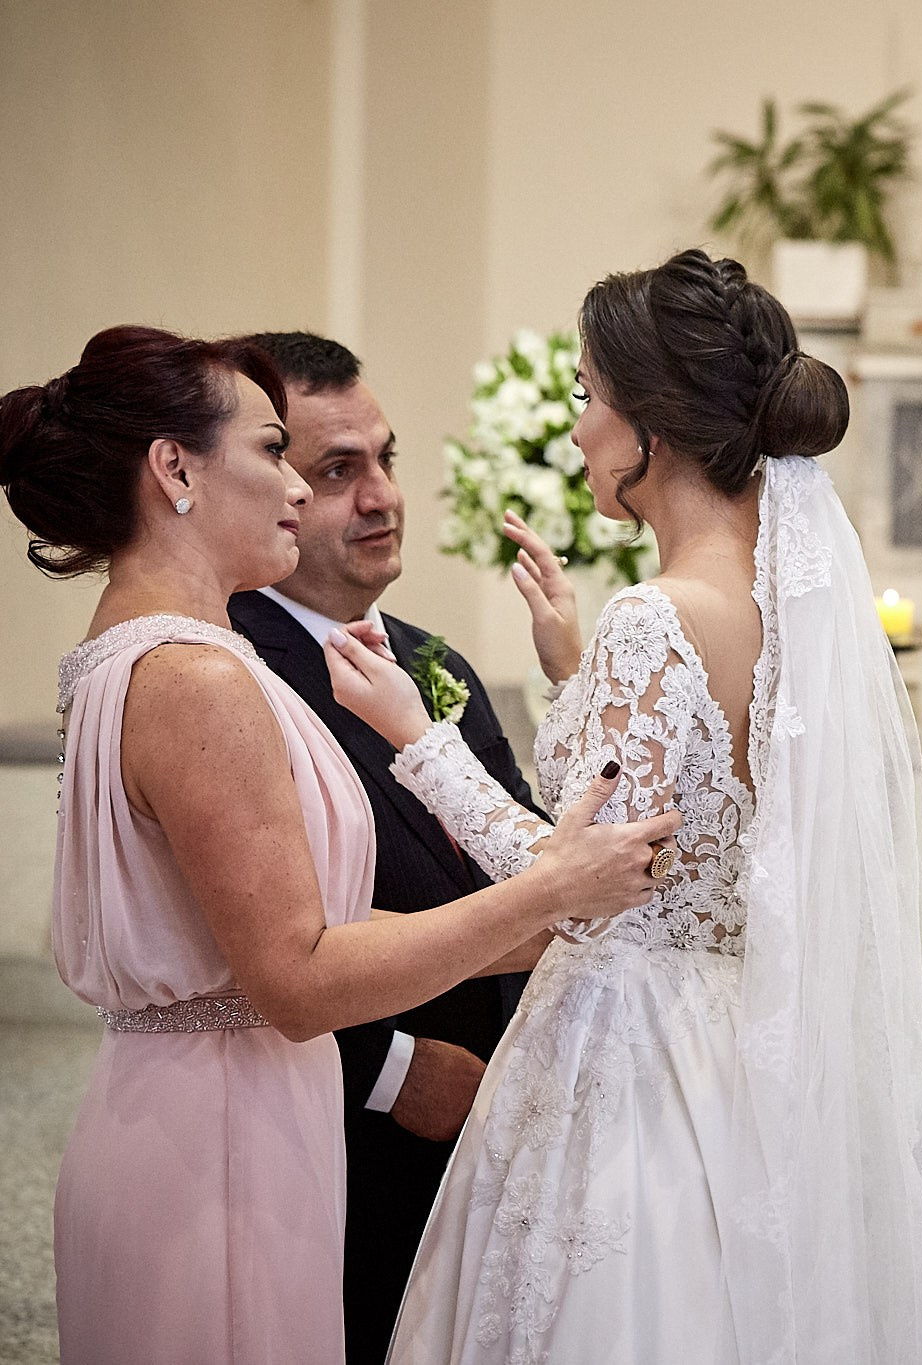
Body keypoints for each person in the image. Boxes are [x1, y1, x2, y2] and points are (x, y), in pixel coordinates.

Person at [326, 248, 922, 1364]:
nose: (579, 428)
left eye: (589, 397)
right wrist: (571, 672)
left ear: (652, 429)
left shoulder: (658, 616)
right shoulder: (783, 609)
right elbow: (697, 819)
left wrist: (418, 738)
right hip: (739, 1035)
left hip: (627, 1042)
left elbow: (580, 890)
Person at [0, 325, 679, 1364]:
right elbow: (298, 974)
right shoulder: (197, 677)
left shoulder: (140, 650)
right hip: (219, 1142)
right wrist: (550, 896)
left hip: (210, 1108)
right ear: (174, 468)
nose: (295, 488)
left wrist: (557, 918)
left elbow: (276, 931)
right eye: (274, 452)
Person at [222, 332, 541, 1364]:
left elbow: (517, 865)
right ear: (268, 480)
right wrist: (393, 1070)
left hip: (492, 1113)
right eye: (337, 471)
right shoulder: (230, 674)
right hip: (331, 1132)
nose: (381, 497)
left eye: (387, 460)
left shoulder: (435, 662)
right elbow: (218, 933)